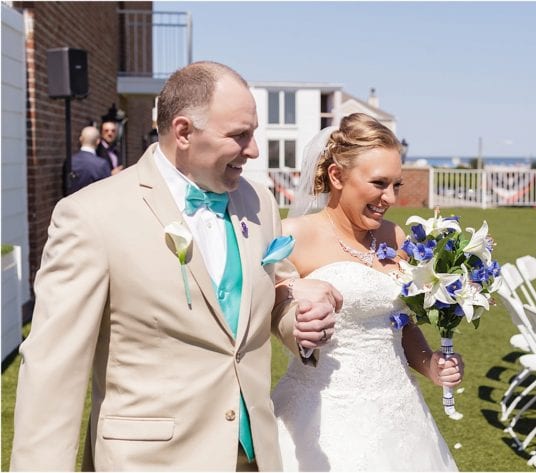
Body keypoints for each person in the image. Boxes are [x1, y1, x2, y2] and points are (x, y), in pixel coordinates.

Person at [11, 61, 342, 471]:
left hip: (253, 457)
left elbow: (276, 290)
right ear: (184, 132)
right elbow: (52, 370)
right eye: (240, 135)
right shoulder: (90, 215)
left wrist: (298, 320)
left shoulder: (260, 202)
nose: (254, 149)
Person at [272, 113, 463, 471]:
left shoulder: (396, 238)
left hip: (400, 411)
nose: (389, 197)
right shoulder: (293, 236)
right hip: (323, 414)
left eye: (396, 185)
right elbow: (264, 310)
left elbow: (401, 324)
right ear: (336, 176)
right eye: (378, 183)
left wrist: (431, 365)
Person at [67, 125, 112, 194]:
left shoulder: (69, 162)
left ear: (81, 139)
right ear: (98, 141)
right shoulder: (102, 164)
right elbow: (108, 191)